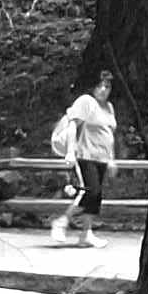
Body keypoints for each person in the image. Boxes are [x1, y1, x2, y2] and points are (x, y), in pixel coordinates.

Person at [49, 69, 118, 242]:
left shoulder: (109, 108)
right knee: (89, 192)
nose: (103, 89)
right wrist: (70, 152)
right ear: (92, 87)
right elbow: (73, 125)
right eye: (99, 85)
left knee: (96, 196)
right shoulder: (86, 102)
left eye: (107, 86)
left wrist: (111, 159)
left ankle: (86, 234)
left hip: (102, 158)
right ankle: (61, 222)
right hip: (85, 155)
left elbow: (109, 135)